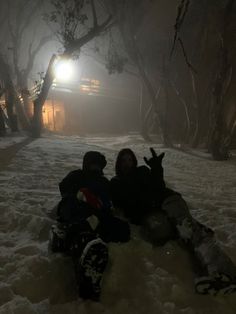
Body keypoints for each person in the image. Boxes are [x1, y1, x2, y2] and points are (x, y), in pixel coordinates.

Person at [110, 147, 236, 295]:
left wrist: (156, 168)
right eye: (124, 160)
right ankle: (200, 255)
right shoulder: (115, 182)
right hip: (150, 215)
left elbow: (159, 186)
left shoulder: (142, 171)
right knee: (163, 234)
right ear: (118, 163)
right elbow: (122, 205)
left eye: (130, 160)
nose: (127, 163)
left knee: (189, 230)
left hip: (167, 201)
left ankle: (223, 273)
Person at [49, 151, 130, 301]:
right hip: (78, 210)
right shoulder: (76, 175)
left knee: (122, 228)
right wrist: (82, 195)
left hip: (98, 215)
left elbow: (110, 201)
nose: (95, 167)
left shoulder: (104, 182)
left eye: (98, 164)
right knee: (80, 222)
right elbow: (66, 190)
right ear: (86, 164)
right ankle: (84, 257)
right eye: (92, 163)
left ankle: (89, 254)